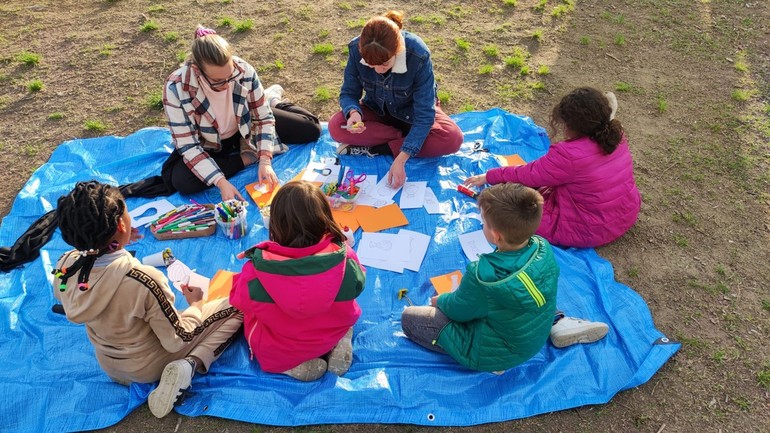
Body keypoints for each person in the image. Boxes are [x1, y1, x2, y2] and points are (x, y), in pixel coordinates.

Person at [52, 181, 243, 418]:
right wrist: (195, 305)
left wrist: (117, 243)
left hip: (110, 366)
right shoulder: (142, 280)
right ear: (122, 224)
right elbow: (177, 339)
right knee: (240, 302)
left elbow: (71, 287)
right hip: (148, 366)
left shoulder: (65, 266)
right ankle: (189, 365)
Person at [401, 183, 608, 372]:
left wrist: (441, 300)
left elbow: (459, 311)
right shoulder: (541, 246)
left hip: (496, 353)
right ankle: (559, 323)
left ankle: (494, 363)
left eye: (483, 222)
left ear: (496, 235)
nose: (482, 225)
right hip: (537, 328)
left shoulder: (483, 274)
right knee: (526, 293)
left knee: (410, 319)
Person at [464, 87, 641, 248]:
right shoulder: (616, 135)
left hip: (590, 228)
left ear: (570, 125)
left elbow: (529, 174)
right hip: (625, 212)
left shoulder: (568, 154)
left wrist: (489, 176)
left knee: (516, 216)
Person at [162, 25, 322, 201]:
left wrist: (265, 161)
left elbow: (263, 119)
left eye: (230, 76)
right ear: (198, 70)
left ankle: (271, 100)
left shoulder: (243, 70)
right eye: (217, 81)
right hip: (211, 142)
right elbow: (189, 146)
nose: (227, 84)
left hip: (246, 126)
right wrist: (221, 182)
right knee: (183, 181)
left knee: (311, 129)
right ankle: (246, 157)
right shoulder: (176, 87)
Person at [230, 181, 366, 381]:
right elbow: (359, 284)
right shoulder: (346, 258)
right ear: (325, 219)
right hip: (330, 331)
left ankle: (296, 367)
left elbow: (238, 300)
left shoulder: (255, 272)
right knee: (344, 317)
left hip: (284, 347)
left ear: (276, 225)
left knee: (257, 330)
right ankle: (341, 341)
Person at [328, 10, 464, 188]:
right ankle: (406, 139)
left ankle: (379, 149)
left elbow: (424, 115)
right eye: (371, 65)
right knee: (336, 126)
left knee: (453, 138)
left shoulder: (418, 54)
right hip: (377, 109)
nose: (377, 70)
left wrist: (401, 159)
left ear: (398, 51)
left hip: (412, 115)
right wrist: (354, 112)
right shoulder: (356, 49)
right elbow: (348, 93)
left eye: (384, 64)